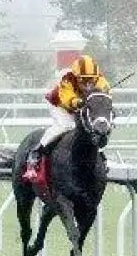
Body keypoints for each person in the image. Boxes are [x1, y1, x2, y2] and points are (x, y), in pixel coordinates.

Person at [22, 53, 110, 181]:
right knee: (66, 126)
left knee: (94, 126)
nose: (87, 84)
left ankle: (100, 155)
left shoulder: (100, 80)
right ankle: (36, 152)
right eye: (83, 80)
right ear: (76, 76)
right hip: (59, 104)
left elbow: (104, 96)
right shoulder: (67, 79)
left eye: (90, 79)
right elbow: (66, 98)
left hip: (81, 105)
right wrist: (77, 102)